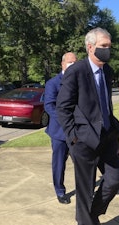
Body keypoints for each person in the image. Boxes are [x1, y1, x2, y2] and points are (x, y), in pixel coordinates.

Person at [56, 27, 119, 225]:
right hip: (83, 139)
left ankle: (92, 215)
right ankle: (86, 221)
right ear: (90, 47)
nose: (108, 50)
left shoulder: (108, 71)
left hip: (108, 136)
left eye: (109, 46)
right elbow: (63, 107)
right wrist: (73, 138)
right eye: (104, 46)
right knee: (85, 190)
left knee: (115, 179)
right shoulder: (76, 72)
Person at [44, 52, 77, 204]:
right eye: (70, 62)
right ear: (63, 64)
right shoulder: (53, 83)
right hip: (59, 132)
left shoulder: (80, 81)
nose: (72, 65)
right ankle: (60, 191)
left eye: (75, 62)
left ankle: (84, 190)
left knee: (81, 163)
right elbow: (49, 105)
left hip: (78, 131)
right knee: (59, 163)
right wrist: (65, 120)